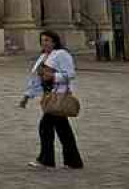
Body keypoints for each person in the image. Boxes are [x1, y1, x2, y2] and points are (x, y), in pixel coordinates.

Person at [19, 30, 84, 170]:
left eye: (47, 40)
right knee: (63, 130)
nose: (45, 43)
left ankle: (46, 159)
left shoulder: (61, 54)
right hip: (48, 97)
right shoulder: (43, 57)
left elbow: (70, 74)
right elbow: (36, 79)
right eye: (42, 40)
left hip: (59, 96)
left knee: (45, 127)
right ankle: (73, 161)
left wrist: (54, 77)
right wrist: (26, 97)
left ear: (54, 42)